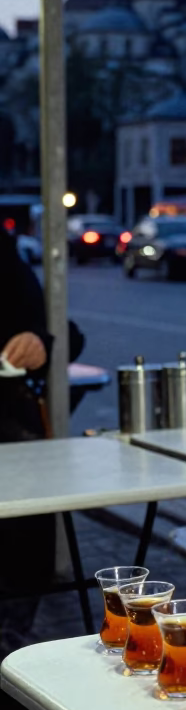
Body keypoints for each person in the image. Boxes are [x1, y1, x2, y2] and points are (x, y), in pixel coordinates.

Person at [0, 227, 55, 655]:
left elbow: (55, 331)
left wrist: (37, 343)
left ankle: (11, 645)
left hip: (10, 431)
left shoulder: (3, 254)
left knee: (25, 546)